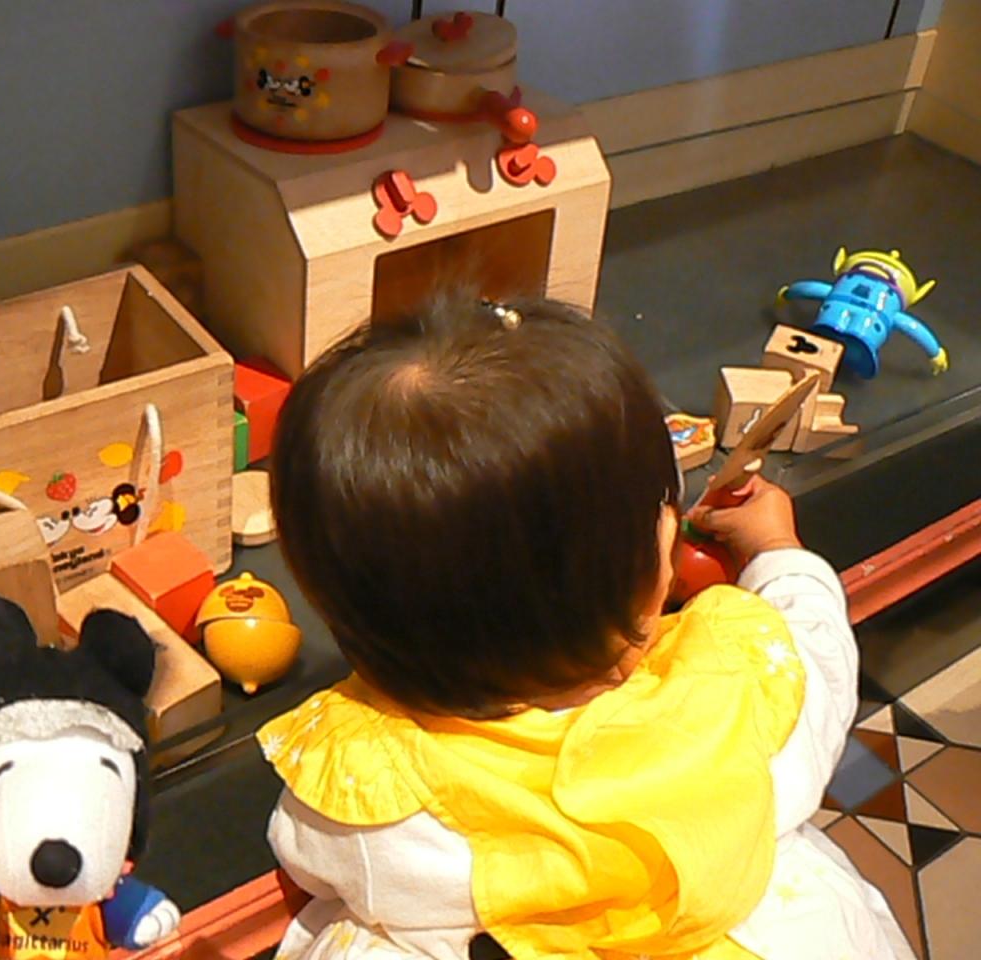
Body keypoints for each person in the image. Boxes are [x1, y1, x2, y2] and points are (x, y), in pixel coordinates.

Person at [256, 296, 914, 960]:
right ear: (649, 590)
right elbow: (817, 646)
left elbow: (307, 855)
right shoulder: (743, 678)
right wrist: (777, 551)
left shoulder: (376, 782)